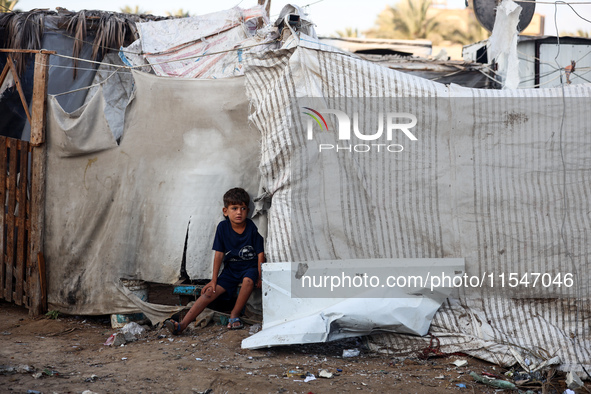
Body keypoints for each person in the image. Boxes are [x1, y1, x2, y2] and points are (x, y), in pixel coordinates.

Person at [165, 187, 264, 333]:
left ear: (248, 211)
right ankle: (182, 325)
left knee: (248, 281)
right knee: (209, 292)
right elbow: (219, 254)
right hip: (231, 270)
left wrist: (260, 277)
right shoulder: (223, 227)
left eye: (243, 208)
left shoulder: (252, 227)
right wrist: (213, 280)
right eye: (234, 208)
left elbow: (261, 254)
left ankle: (234, 315)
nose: (239, 212)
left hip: (250, 268)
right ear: (225, 211)